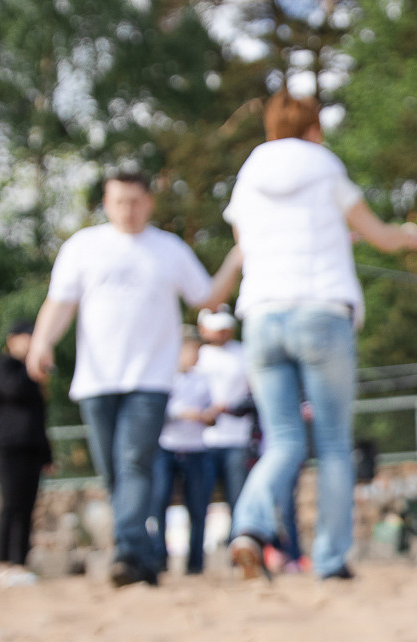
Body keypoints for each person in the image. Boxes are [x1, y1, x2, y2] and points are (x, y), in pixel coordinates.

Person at [222, 90, 417, 581]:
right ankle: (331, 559)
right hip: (321, 310)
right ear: (313, 127)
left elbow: (247, 245)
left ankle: (248, 526)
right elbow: (377, 233)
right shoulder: (322, 163)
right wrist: (408, 236)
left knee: (282, 441)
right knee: (334, 445)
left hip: (262, 316)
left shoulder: (250, 170)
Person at [27, 169, 240, 588]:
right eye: (119, 201)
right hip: (96, 379)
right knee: (113, 472)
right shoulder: (83, 247)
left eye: (136, 201)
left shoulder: (168, 249)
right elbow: (60, 303)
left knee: (134, 462)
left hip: (150, 378)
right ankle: (141, 555)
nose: (128, 209)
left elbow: (207, 297)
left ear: (149, 202)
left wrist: (235, 258)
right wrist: (40, 342)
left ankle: (126, 552)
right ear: (106, 203)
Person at [0, 321, 53, 586]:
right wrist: (35, 369)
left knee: (27, 508)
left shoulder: (33, 375)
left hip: (32, 448)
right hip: (7, 447)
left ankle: (20, 564)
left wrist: (47, 456)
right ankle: (3, 564)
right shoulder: (4, 365)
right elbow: (12, 390)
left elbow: (39, 417)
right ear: (13, 339)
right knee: (10, 505)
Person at [151, 338, 220, 575]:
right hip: (166, 448)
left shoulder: (204, 379)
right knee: (158, 503)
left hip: (197, 449)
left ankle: (196, 563)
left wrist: (208, 415)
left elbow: (212, 413)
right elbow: (158, 410)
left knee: (199, 508)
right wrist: (185, 413)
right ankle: (159, 558)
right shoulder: (162, 376)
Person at [194, 306, 256, 518]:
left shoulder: (244, 353)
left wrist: (231, 408)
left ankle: (239, 542)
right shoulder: (196, 356)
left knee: (238, 498)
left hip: (237, 438)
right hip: (200, 441)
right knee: (199, 502)